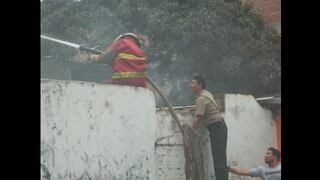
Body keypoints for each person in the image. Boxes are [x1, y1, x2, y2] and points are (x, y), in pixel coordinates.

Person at [190, 74, 228, 180]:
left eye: (193, 83)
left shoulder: (201, 99)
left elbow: (197, 119)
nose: (190, 85)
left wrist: (191, 133)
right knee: (220, 159)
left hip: (217, 128)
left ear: (200, 85)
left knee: (218, 160)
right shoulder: (206, 94)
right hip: (219, 127)